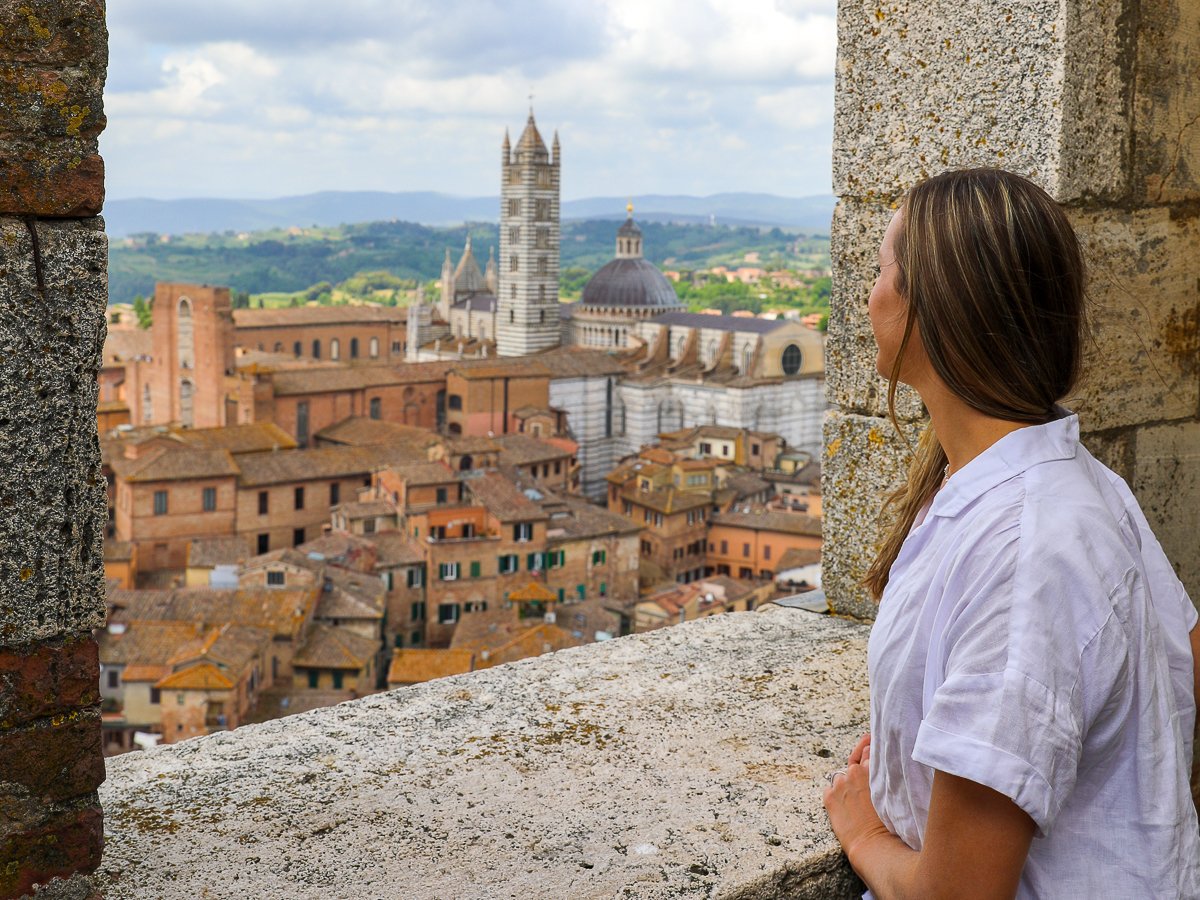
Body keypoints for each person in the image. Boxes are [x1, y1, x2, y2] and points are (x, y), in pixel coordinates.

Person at [822, 168, 1200, 899]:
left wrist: (866, 829)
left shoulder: (1024, 552)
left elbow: (957, 896)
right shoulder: (1078, 486)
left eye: (882, 270)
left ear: (935, 311)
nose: (869, 296)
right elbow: (1184, 652)